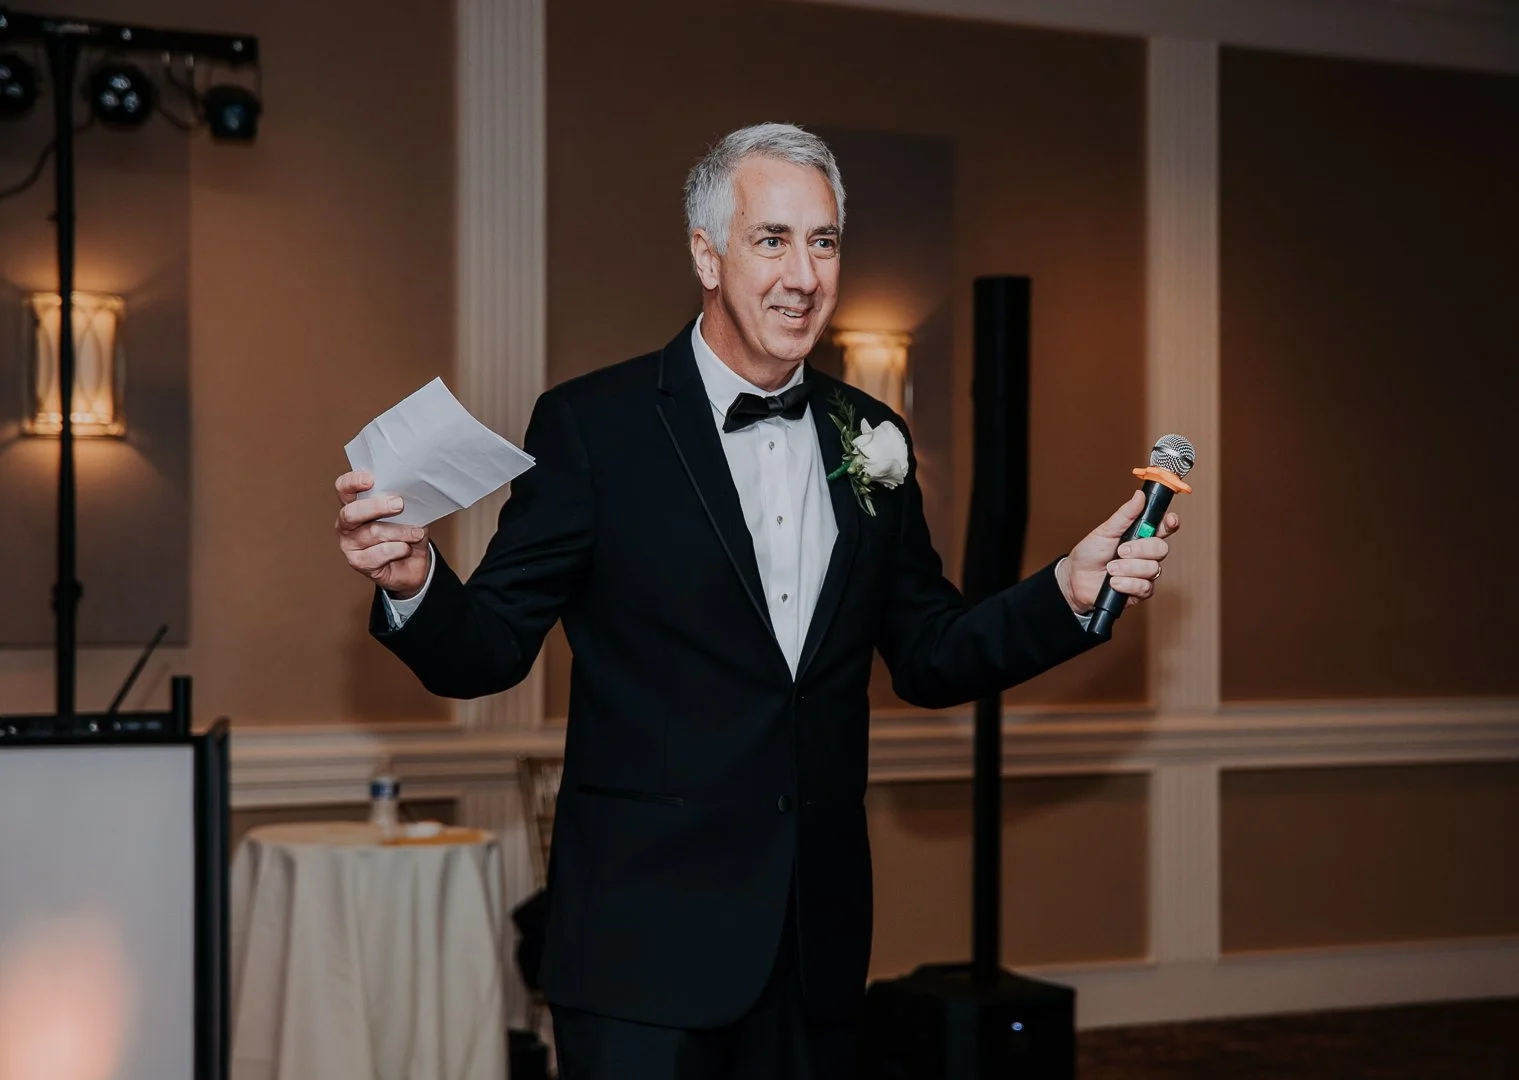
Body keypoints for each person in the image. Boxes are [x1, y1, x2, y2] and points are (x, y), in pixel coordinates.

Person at [333, 123, 1178, 1079]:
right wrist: (416, 582)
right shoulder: (593, 426)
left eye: (822, 241)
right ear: (706, 252)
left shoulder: (872, 434)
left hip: (811, 947)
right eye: (771, 239)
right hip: (639, 954)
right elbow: (486, 650)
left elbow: (932, 654)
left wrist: (1063, 591)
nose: (804, 273)